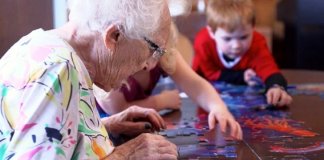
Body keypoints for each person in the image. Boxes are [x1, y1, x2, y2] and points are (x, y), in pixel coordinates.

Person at [0, 0, 178, 159]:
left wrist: (104, 127)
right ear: (114, 36)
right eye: (153, 49)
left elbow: (46, 139)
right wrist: (128, 154)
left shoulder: (36, 42)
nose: (148, 64)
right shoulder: (59, 69)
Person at [94, 21, 243, 140]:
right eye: (146, 52)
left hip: (140, 130)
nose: (151, 64)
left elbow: (196, 85)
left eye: (158, 51)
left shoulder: (163, 52)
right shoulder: (112, 60)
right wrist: (161, 102)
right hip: (101, 130)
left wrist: (218, 107)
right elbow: (117, 111)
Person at [192, 0, 292, 107]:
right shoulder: (203, 42)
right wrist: (241, 76)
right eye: (227, 38)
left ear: (253, 28)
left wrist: (276, 87)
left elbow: (270, 69)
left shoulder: (257, 42)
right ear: (212, 32)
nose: (236, 45)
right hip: (204, 99)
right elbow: (209, 73)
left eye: (243, 37)